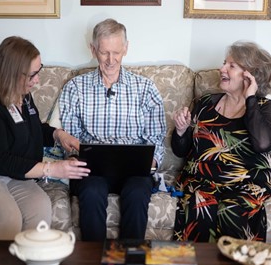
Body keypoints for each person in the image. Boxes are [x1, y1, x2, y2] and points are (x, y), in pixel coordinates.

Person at [0, 36, 90, 240]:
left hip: (11, 174)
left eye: (39, 70)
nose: (37, 80)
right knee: (8, 221)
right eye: (33, 75)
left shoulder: (22, 95)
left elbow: (32, 129)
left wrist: (58, 134)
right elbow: (0, 159)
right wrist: (51, 168)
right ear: (11, 74)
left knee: (40, 213)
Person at [59, 18, 166, 241]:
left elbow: (156, 138)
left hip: (134, 171)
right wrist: (75, 154)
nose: (110, 60)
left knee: (137, 193)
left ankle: (130, 258)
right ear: (93, 49)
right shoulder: (76, 87)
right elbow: (70, 137)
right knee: (91, 191)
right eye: (104, 52)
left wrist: (152, 161)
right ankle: (93, 257)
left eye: (116, 52)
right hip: (93, 171)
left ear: (126, 48)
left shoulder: (145, 88)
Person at [172, 41, 271, 242]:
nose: (222, 68)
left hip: (245, 183)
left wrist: (250, 98)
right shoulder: (206, 104)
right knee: (200, 207)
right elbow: (182, 151)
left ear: (249, 75)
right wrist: (181, 131)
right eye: (224, 63)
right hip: (202, 179)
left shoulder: (263, 108)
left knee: (233, 211)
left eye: (231, 66)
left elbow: (262, 144)